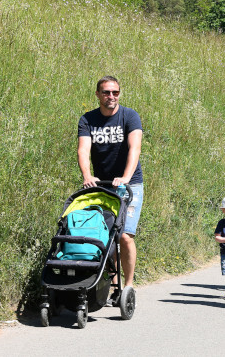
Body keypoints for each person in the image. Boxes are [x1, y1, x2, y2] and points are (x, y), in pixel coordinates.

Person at [77, 76, 143, 295]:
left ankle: (128, 286)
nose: (111, 96)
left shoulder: (129, 116)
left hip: (130, 184)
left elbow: (135, 149)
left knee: (124, 236)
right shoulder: (87, 119)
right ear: (98, 95)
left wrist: (125, 177)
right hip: (103, 185)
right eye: (106, 92)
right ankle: (112, 284)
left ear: (119, 94)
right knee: (105, 235)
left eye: (115, 92)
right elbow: (84, 150)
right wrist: (87, 175)